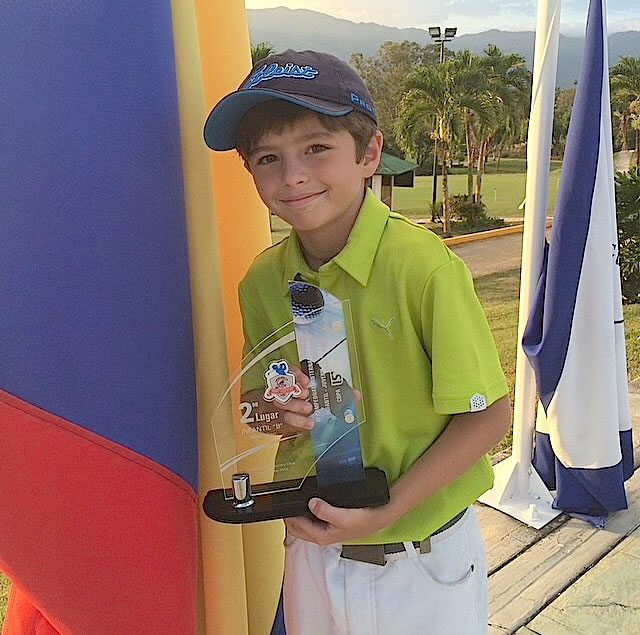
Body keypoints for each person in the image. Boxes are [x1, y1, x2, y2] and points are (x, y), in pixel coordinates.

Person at [204, 49, 511, 635]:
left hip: (420, 555)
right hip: (314, 546)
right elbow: (257, 404)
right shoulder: (264, 282)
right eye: (268, 158)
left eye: (317, 148)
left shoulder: (423, 268)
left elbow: (488, 416)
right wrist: (280, 410)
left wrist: (385, 511)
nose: (293, 175)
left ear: (369, 154)